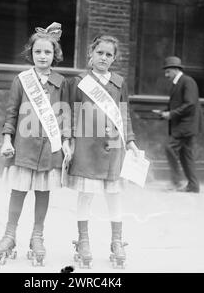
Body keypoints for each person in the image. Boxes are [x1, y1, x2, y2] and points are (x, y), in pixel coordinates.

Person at [0, 22, 71, 266]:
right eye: (38, 52)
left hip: (49, 148)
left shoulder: (61, 82)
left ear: (54, 54)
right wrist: (7, 139)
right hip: (24, 146)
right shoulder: (22, 80)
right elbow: (11, 112)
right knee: (18, 191)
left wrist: (67, 141)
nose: (43, 56)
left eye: (47, 52)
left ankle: (37, 236)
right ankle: (9, 234)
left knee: (43, 192)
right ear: (31, 53)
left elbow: (65, 114)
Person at [67, 35, 140, 268]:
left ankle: (117, 241)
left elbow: (124, 113)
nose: (104, 58)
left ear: (114, 58)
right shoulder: (79, 81)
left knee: (114, 194)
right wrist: (68, 140)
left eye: (109, 55)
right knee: (86, 194)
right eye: (100, 53)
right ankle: (83, 240)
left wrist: (130, 141)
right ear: (91, 53)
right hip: (87, 145)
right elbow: (69, 112)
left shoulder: (119, 82)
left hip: (113, 145)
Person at [160, 56, 202, 193]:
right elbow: (180, 104)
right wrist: (165, 113)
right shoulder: (178, 83)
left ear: (176, 70)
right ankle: (194, 185)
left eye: (168, 72)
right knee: (186, 155)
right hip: (185, 125)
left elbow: (190, 104)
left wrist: (171, 114)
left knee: (169, 148)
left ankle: (176, 181)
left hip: (186, 126)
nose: (166, 75)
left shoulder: (187, 81)